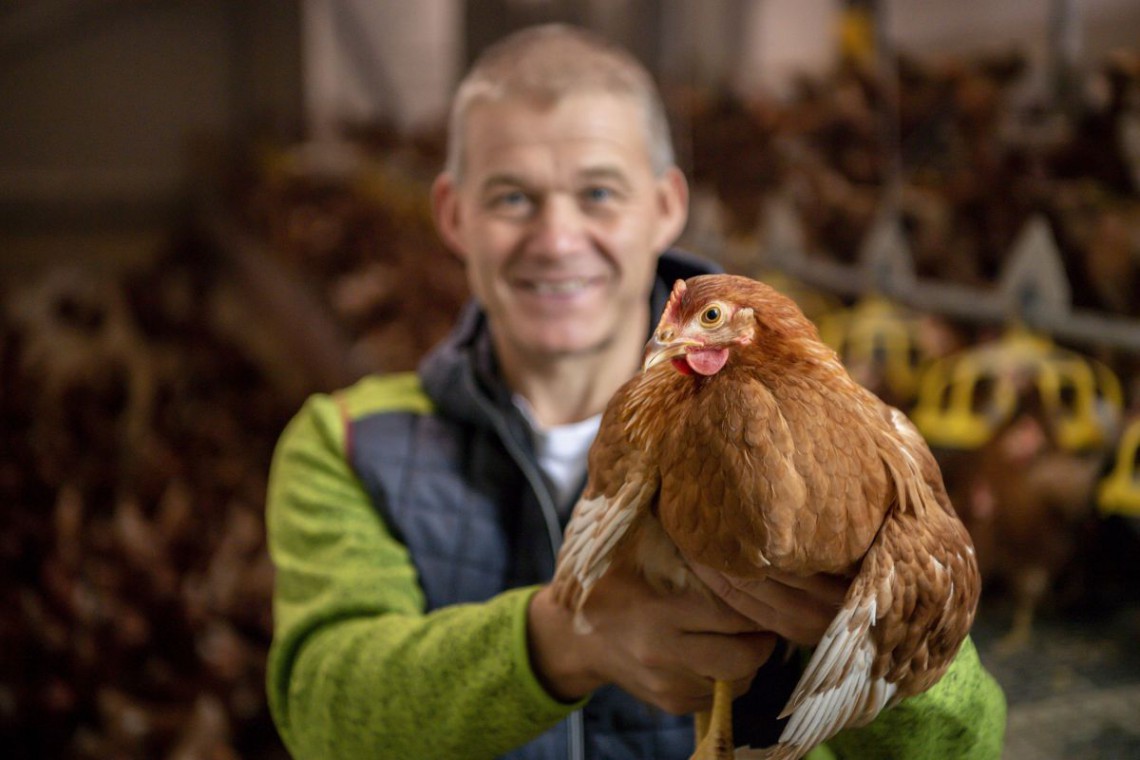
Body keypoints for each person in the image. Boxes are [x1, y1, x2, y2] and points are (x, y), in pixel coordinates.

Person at [265, 23, 1006, 759]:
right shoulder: (354, 443)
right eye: (512, 198)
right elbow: (321, 717)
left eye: (598, 192)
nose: (557, 238)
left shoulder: (854, 438)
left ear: (665, 206)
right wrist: (558, 643)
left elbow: (970, 748)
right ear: (455, 216)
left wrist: (870, 643)